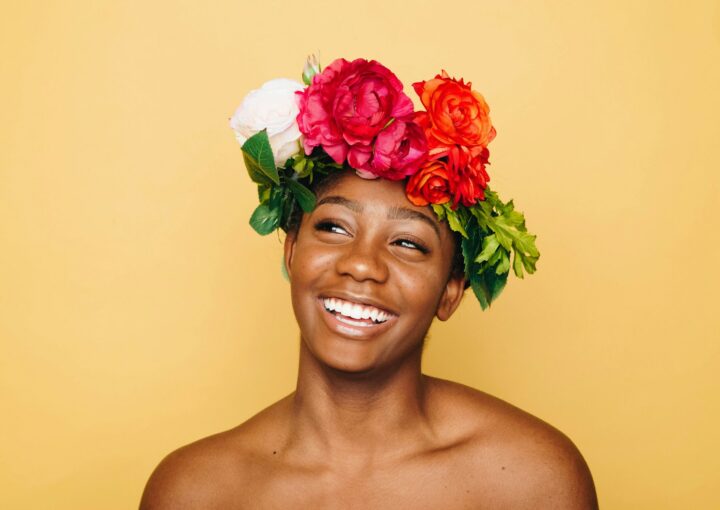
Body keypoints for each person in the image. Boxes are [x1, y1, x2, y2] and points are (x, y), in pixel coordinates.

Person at [140, 57, 598, 509]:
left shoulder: (531, 479)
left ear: (451, 290)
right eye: (335, 228)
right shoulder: (194, 492)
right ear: (292, 250)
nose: (362, 265)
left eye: (408, 243)